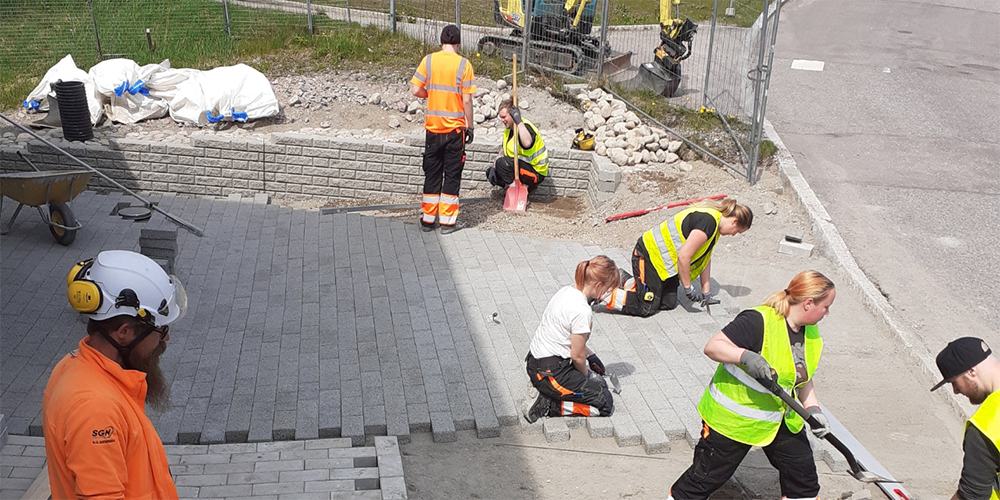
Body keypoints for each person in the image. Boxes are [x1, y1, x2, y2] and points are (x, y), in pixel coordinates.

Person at [668, 270, 836, 500]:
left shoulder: (811, 333)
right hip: (733, 422)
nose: (828, 312)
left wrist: (813, 410)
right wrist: (745, 355)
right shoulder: (759, 321)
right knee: (705, 479)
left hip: (781, 420)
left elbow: (801, 378)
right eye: (826, 306)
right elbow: (713, 347)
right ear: (808, 303)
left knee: (803, 481)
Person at [43, 250, 187, 500]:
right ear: (124, 331)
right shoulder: (95, 408)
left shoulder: (76, 365)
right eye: (161, 330)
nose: (166, 339)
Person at [602, 197, 753, 317]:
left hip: (663, 263)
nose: (734, 235)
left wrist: (706, 293)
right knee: (646, 306)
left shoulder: (716, 226)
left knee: (668, 303)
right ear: (734, 221)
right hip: (648, 255)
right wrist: (688, 288)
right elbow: (684, 257)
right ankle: (601, 293)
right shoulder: (708, 223)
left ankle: (624, 279)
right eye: (737, 231)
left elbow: (705, 259)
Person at [523, 255, 620, 423]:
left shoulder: (566, 291)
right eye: (606, 291)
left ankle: (551, 393)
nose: (605, 296)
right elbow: (576, 356)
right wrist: (587, 376)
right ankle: (547, 404)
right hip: (551, 374)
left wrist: (591, 356)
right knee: (604, 401)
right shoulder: (582, 310)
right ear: (598, 285)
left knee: (598, 386)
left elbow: (566, 337)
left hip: (538, 363)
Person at [409, 24, 476, 235]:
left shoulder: (428, 60)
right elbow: (466, 100)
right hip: (455, 131)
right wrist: (470, 125)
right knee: (452, 174)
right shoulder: (464, 65)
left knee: (432, 173)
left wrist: (432, 95)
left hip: (433, 130)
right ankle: (447, 222)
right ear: (458, 44)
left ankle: (428, 220)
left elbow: (415, 89)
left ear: (441, 42)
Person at [930, 337, 1000, 500]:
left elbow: (972, 495)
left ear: (971, 371)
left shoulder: (986, 425)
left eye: (954, 382)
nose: (955, 391)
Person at [485, 99, 548, 192]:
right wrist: (494, 168)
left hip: (535, 172)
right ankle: (515, 188)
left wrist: (518, 122)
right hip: (520, 169)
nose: (502, 120)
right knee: (494, 169)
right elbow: (502, 153)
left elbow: (527, 143)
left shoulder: (524, 127)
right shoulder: (508, 131)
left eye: (504, 117)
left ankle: (516, 190)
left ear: (512, 115)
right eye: (500, 117)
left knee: (502, 164)